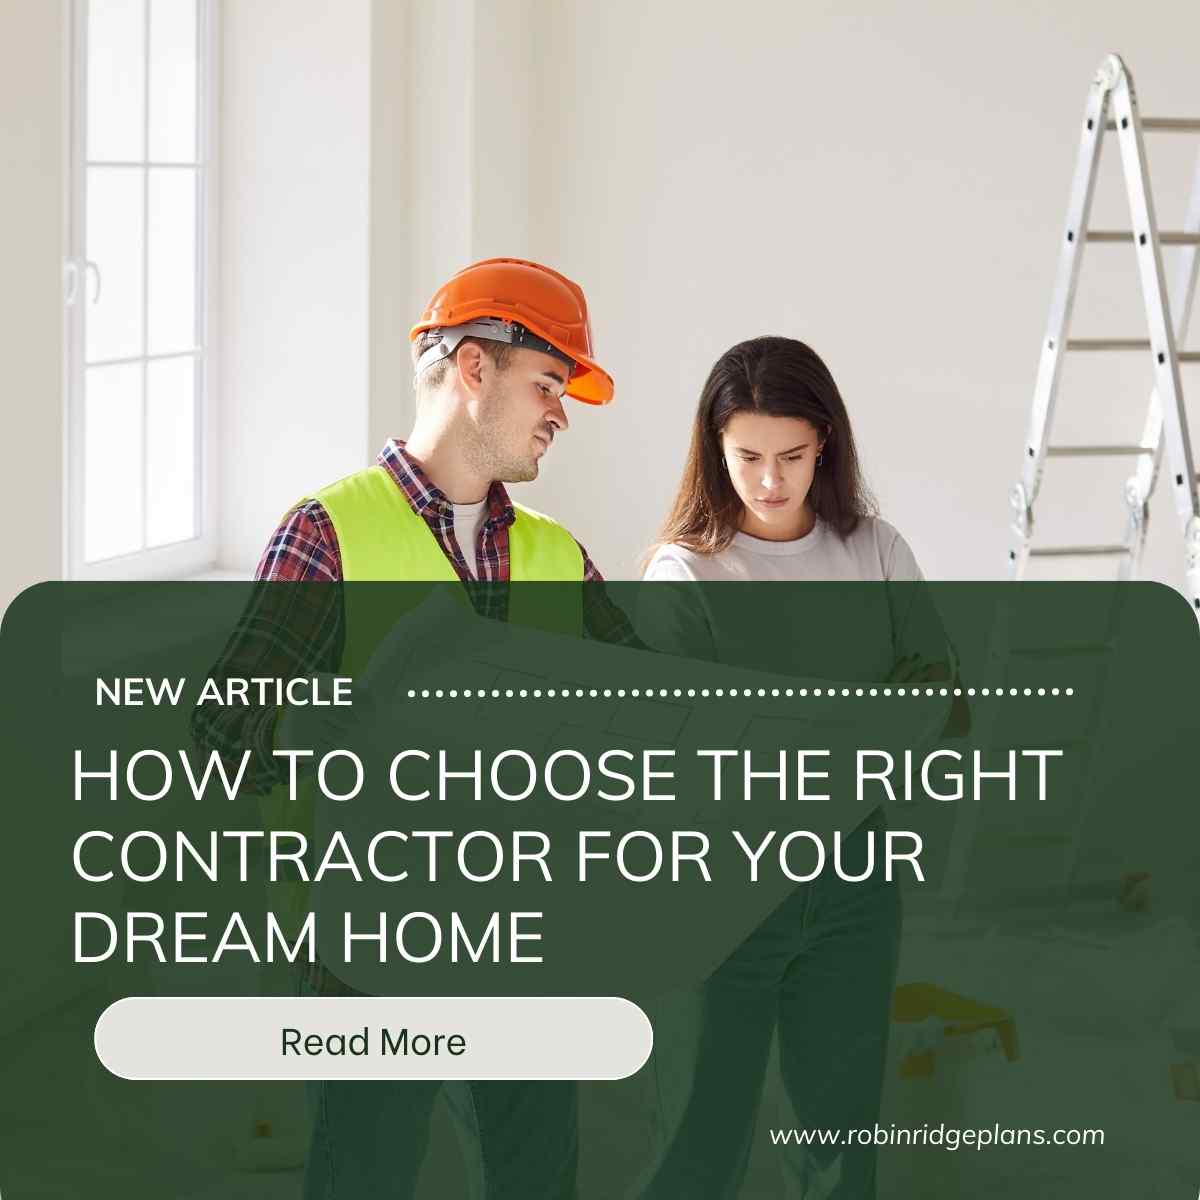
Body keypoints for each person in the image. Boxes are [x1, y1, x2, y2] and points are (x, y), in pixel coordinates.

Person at [192, 257, 636, 1198]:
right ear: (475, 368)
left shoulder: (559, 557)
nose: (560, 413)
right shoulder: (330, 532)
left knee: (536, 1181)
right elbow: (225, 736)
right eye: (547, 386)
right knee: (365, 1175)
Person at [637, 335, 956, 1199]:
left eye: (790, 456)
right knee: (700, 1146)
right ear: (715, 449)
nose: (769, 479)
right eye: (746, 457)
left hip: (856, 883)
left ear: (825, 443)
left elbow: (947, 710)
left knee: (840, 1148)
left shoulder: (875, 550)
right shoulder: (684, 573)